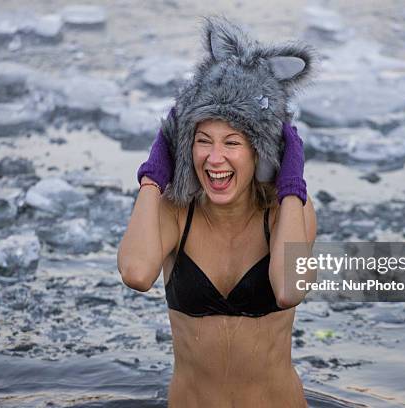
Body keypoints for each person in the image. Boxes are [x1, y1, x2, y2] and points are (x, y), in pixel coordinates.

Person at [118, 16, 317, 407]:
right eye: (202, 139)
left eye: (233, 142)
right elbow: (137, 273)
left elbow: (290, 289)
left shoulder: (285, 213)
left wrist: (291, 185)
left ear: (259, 152)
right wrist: (152, 177)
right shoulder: (177, 211)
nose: (215, 158)